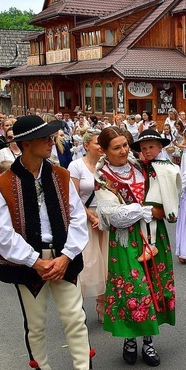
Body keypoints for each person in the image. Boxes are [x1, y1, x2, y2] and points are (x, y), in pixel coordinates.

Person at [0, 115, 109, 370]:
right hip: (28, 264)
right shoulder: (4, 184)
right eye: (44, 138)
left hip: (62, 258)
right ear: (26, 144)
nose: (51, 141)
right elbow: (0, 234)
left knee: (75, 318)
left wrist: (66, 256)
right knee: (36, 323)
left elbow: (77, 218)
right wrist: (35, 261)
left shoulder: (61, 175)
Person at [94, 127, 180, 367]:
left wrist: (163, 208)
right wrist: (144, 210)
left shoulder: (142, 166)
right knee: (133, 289)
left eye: (125, 145)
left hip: (154, 234)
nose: (123, 151)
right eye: (116, 147)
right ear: (104, 151)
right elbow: (114, 216)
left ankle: (148, 341)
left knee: (153, 283)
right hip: (126, 238)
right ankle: (130, 338)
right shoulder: (103, 177)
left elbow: (167, 191)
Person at [68, 129, 108, 322]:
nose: (101, 146)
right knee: (87, 264)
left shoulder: (107, 165)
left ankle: (103, 303)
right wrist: (91, 217)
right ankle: (77, 306)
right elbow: (73, 196)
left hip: (107, 218)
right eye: (97, 143)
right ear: (86, 146)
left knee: (106, 262)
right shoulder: (76, 166)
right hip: (85, 219)